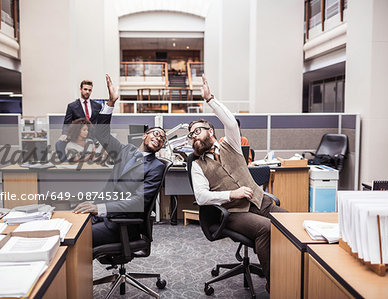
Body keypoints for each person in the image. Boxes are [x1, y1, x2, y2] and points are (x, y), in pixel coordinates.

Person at [188, 75, 287, 292]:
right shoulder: (197, 165)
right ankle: (276, 285)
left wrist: (210, 99)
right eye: (190, 134)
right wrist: (232, 195)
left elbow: (231, 122)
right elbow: (201, 197)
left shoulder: (230, 144)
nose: (193, 136)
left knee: (290, 224)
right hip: (233, 213)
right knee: (267, 230)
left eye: (197, 130)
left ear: (210, 131)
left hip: (260, 201)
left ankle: (294, 273)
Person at [73, 74, 167, 247]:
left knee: (78, 239)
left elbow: (138, 201)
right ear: (144, 135)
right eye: (156, 133)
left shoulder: (156, 167)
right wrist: (111, 103)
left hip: (122, 223)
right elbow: (101, 134)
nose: (159, 138)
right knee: (71, 227)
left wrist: (100, 209)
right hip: (104, 213)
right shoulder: (125, 150)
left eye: (162, 139)